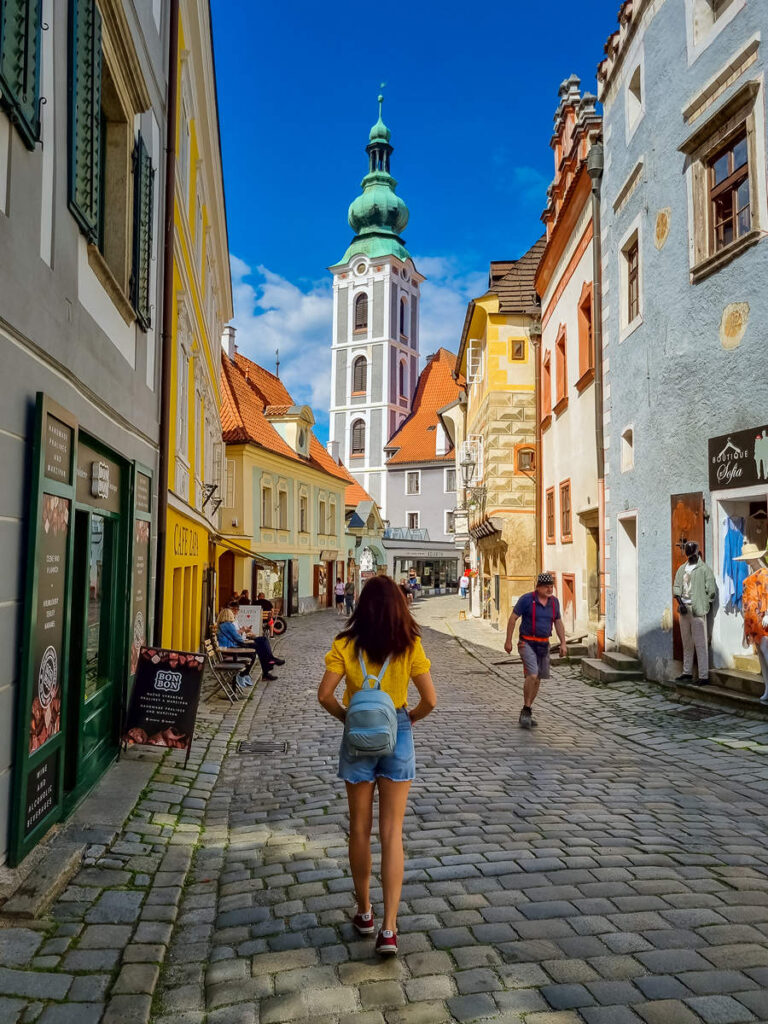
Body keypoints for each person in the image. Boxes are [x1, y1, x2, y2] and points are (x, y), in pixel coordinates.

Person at [318, 576, 437, 956]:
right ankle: (389, 930)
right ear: (399, 607)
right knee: (392, 832)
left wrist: (348, 719)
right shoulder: (409, 644)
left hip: (358, 736)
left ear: (361, 606)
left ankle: (364, 911)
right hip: (397, 730)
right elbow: (431, 700)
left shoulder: (345, 645)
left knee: (358, 827)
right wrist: (409, 719)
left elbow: (325, 695)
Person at [504, 572, 567, 729]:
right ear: (538, 587)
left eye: (551, 586)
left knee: (538, 679)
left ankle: (527, 710)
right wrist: (508, 641)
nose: (549, 589)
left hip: (543, 645)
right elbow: (513, 619)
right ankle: (526, 709)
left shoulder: (554, 603)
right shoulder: (526, 600)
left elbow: (558, 622)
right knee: (532, 674)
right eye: (546, 587)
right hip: (527, 643)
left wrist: (563, 643)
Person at [673, 541, 716, 685]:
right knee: (687, 642)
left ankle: (703, 675)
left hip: (697, 610)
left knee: (700, 643)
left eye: (692, 552)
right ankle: (687, 672)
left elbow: (711, 591)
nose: (690, 555)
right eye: (688, 552)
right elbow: (677, 587)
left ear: (697, 552)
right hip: (684, 609)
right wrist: (680, 603)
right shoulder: (682, 569)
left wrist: (703, 603)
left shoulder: (704, 570)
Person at [736, 542, 768, 703]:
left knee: (767, 654)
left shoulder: (765, 574)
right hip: (752, 622)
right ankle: (767, 688)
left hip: (763, 621)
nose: (747, 562)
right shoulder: (750, 577)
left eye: (749, 559)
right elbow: (746, 603)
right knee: (762, 657)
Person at [216, 608, 284, 680]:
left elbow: (235, 637)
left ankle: (268, 665)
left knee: (263, 641)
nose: (233, 615)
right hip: (231, 650)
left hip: (231, 648)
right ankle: (265, 668)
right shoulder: (228, 625)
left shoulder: (223, 625)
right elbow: (238, 639)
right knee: (258, 647)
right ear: (229, 615)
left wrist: (244, 634)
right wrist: (244, 634)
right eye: (231, 614)